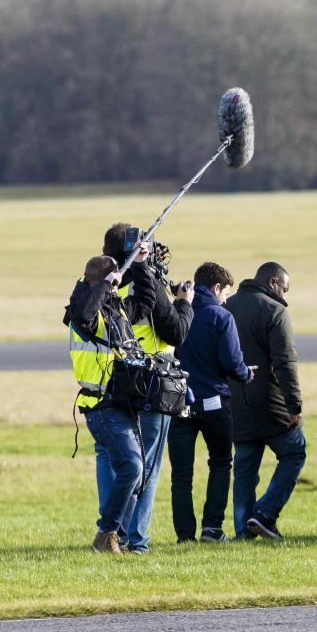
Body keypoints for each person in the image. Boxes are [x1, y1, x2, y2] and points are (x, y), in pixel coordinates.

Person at [95, 223, 194, 553]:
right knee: (146, 467)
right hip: (151, 385)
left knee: (111, 459)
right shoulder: (145, 283)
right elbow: (176, 331)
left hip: (110, 385)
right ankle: (134, 539)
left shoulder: (101, 286)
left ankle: (110, 531)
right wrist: (184, 302)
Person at [64, 249, 155, 554]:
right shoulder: (82, 315)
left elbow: (145, 303)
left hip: (121, 404)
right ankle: (107, 534)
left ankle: (118, 537)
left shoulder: (114, 310)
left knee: (135, 471)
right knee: (131, 466)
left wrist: (140, 265)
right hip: (100, 407)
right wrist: (104, 284)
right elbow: (84, 313)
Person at [168, 262, 254, 543]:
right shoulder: (221, 317)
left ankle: (184, 535)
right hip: (215, 403)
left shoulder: (177, 312)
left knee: (181, 474)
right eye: (225, 292)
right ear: (216, 288)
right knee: (220, 463)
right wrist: (246, 374)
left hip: (178, 403)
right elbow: (231, 362)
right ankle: (212, 529)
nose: (226, 299)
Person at [226, 262, 306, 540]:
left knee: (245, 468)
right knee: (295, 453)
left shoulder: (227, 306)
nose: (285, 295)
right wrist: (294, 405)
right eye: (284, 288)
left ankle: (243, 531)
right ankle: (263, 515)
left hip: (234, 403)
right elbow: (285, 363)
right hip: (271, 403)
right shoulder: (275, 310)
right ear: (272, 282)